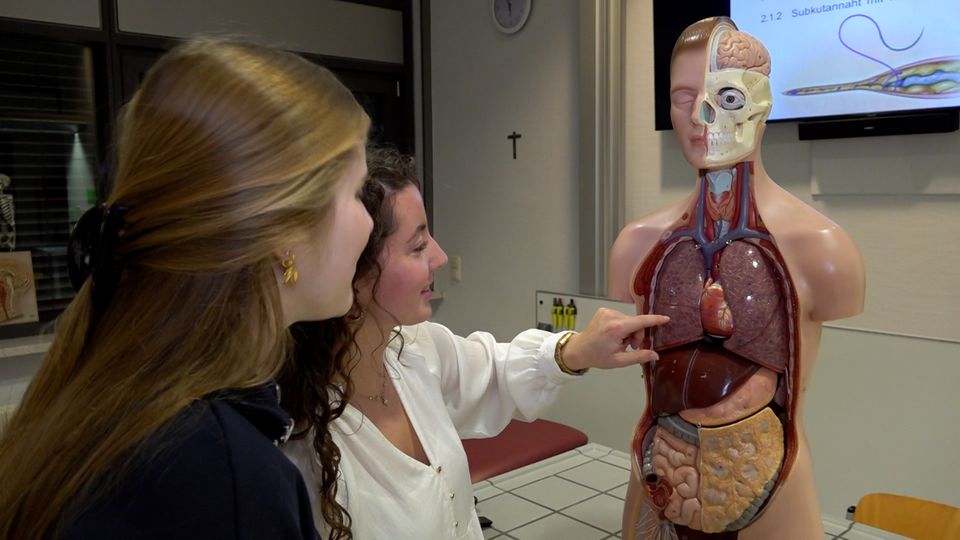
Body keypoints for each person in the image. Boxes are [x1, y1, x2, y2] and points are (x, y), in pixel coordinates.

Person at [0, 39, 372, 540]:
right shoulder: (223, 481)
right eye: (356, 193)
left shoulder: (124, 405)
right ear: (283, 229)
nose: (369, 223)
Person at [279, 147, 670, 539]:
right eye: (417, 247)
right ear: (352, 271)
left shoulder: (414, 350)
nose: (441, 256)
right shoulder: (301, 439)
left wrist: (577, 350)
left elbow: (493, 369)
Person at [608, 17, 865, 540]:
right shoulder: (638, 244)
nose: (700, 116)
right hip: (661, 483)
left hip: (772, 491)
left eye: (724, 97)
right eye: (683, 98)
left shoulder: (822, 248)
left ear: (762, 104)